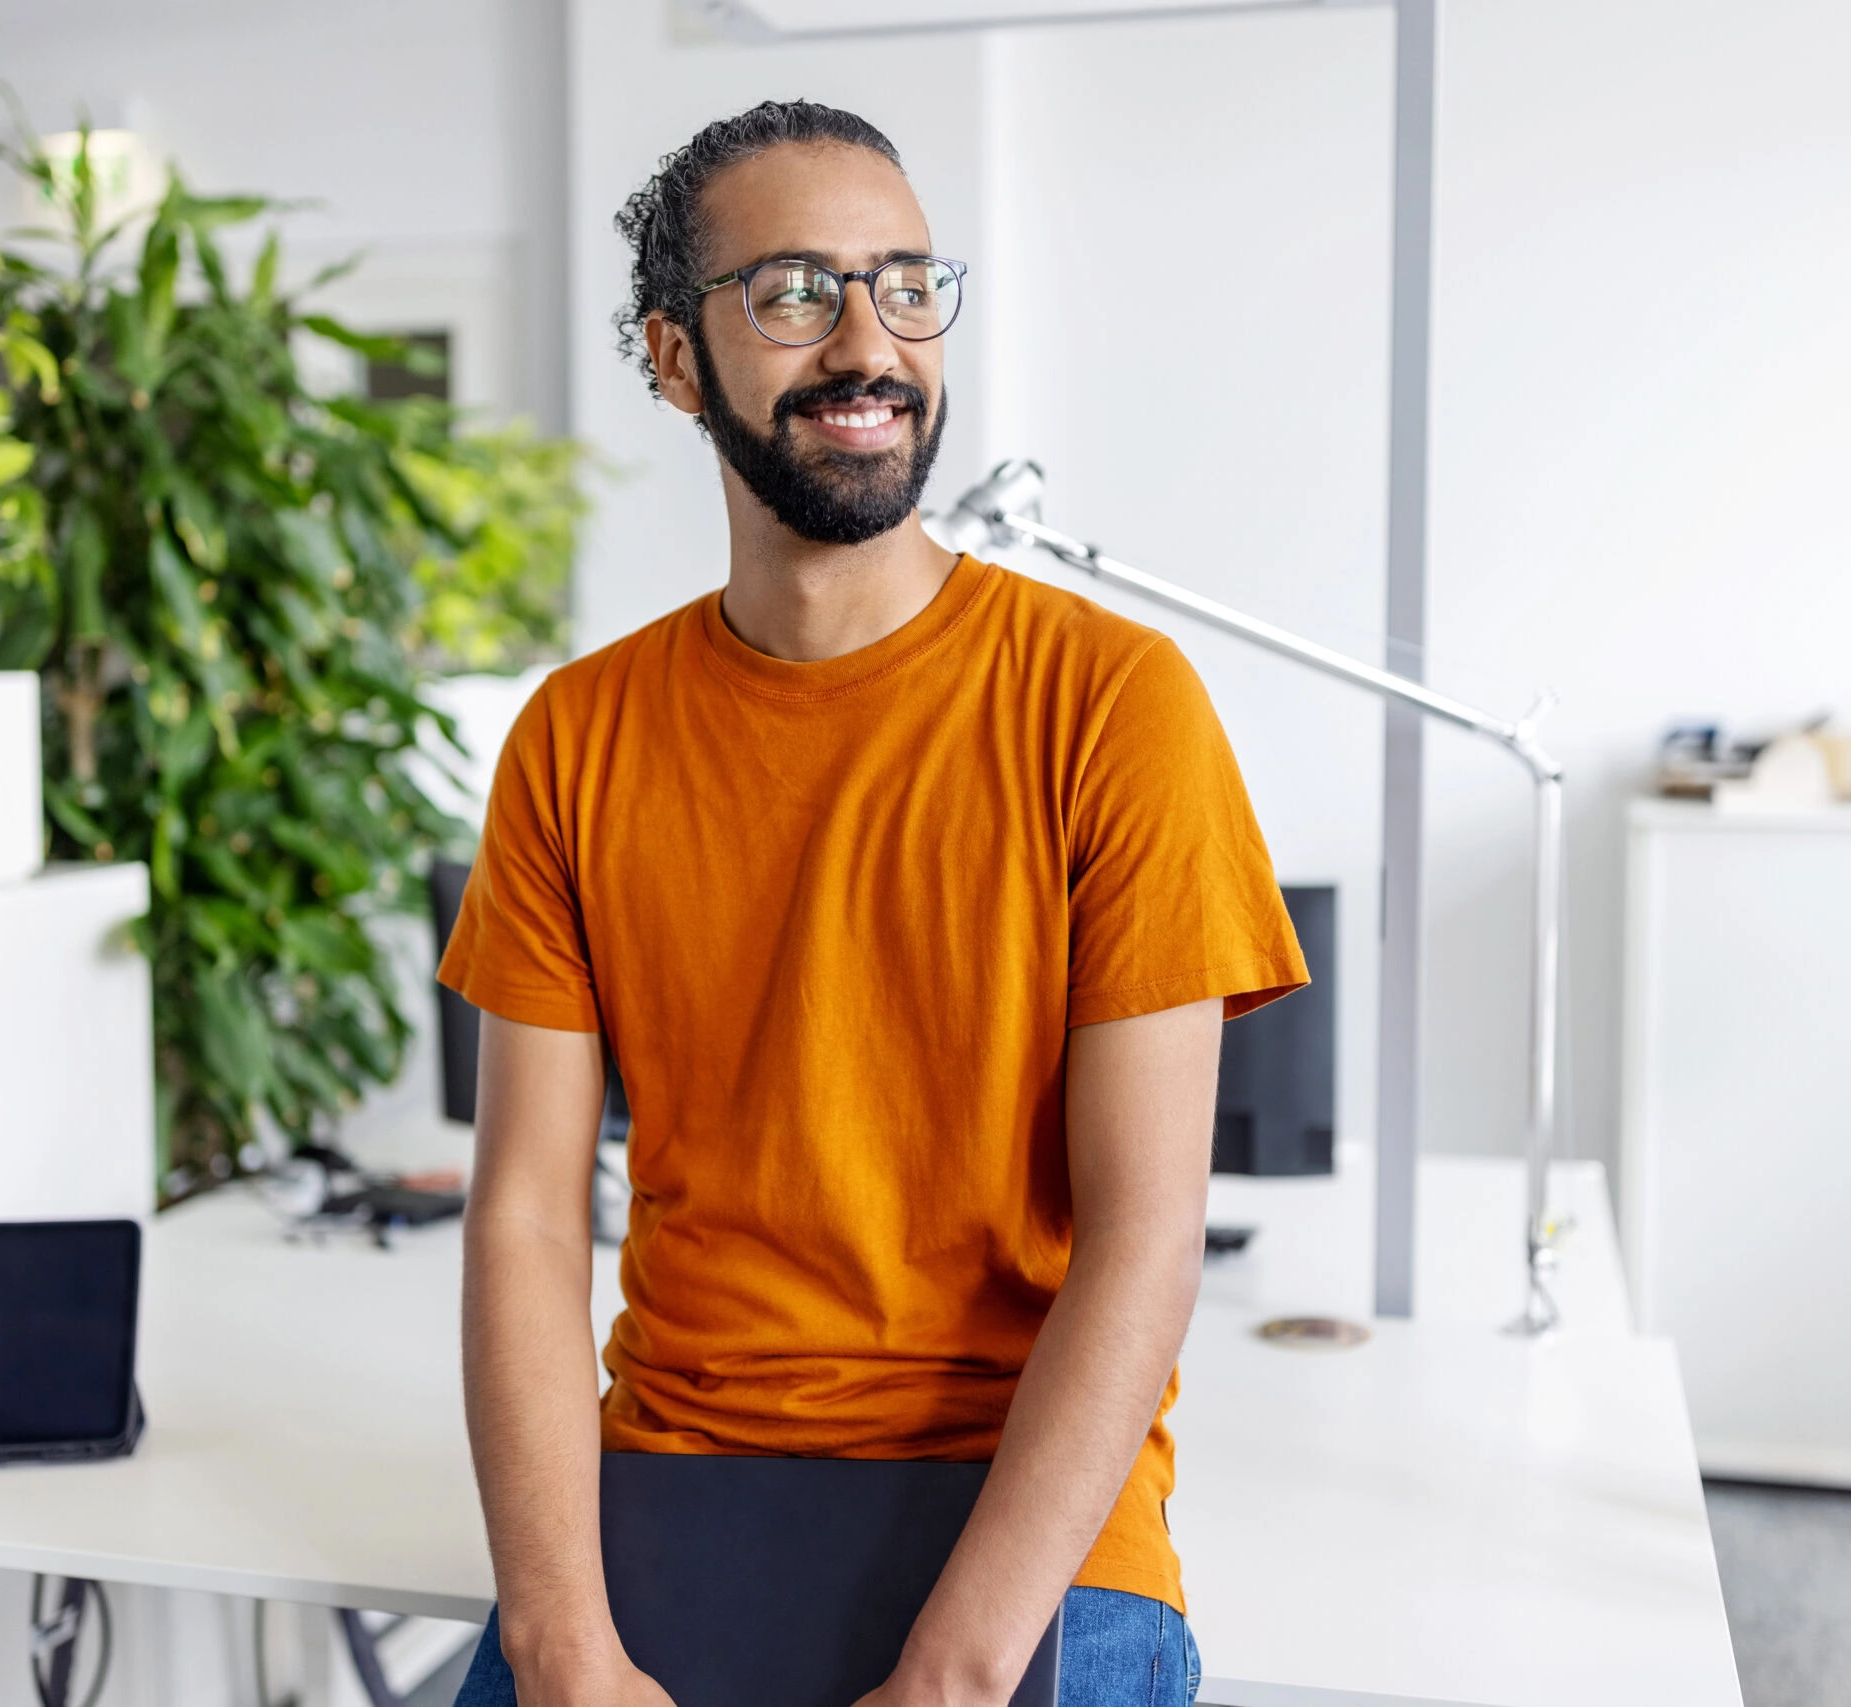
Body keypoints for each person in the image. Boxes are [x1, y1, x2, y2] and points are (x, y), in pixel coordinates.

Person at [438, 99, 1305, 1707]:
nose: (867, 343)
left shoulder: (1114, 704)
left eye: (905, 285)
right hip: (673, 1493)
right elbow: (528, 1214)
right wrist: (558, 1637)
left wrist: (957, 1674)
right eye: (793, 292)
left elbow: (1145, 1233)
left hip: (1025, 1524)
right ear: (677, 358)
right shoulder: (577, 735)